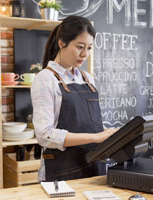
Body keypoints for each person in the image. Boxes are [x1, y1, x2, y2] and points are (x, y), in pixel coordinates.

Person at [31, 15, 117, 182]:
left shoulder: (87, 79)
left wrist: (109, 133)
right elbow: (44, 135)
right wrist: (95, 137)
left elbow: (91, 124)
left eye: (89, 48)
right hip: (63, 172)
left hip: (94, 168)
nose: (85, 54)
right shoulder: (45, 79)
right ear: (62, 42)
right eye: (79, 47)